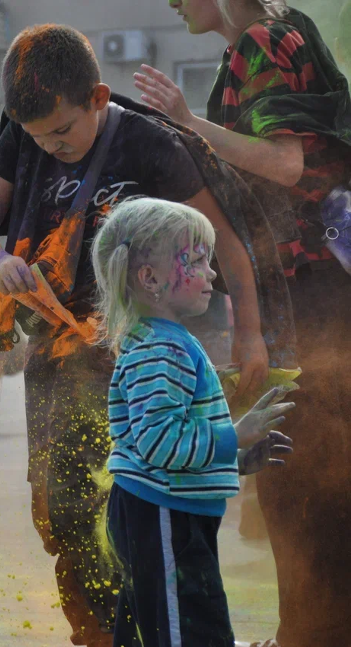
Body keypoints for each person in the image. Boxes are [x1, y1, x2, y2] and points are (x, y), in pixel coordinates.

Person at [0, 25, 293, 647]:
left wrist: (252, 337)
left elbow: (227, 244)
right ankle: (103, 635)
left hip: (136, 356)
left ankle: (164, 631)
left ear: (96, 97)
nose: (49, 148)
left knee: (146, 507)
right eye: (35, 138)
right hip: (56, 358)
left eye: (61, 133)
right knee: (62, 512)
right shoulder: (26, 135)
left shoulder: (149, 144)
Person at [134, 2, 351, 644]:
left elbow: (287, 164)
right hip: (313, 290)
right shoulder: (263, 39)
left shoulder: (262, 36)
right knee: (307, 473)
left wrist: (185, 124)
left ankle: (311, 635)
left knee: (302, 474)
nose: (171, 2)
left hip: (311, 291)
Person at [91, 197, 296, 647]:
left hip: (165, 509)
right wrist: (234, 435)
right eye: (197, 261)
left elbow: (174, 440)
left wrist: (236, 458)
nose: (211, 274)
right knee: (188, 630)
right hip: (160, 513)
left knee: (157, 626)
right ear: (150, 279)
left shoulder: (166, 340)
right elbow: (161, 443)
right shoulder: (161, 350)